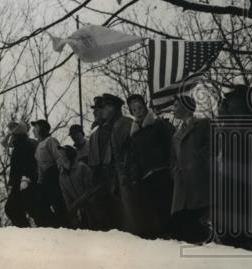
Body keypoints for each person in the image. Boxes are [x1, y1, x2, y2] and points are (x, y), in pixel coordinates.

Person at [123, 94, 175, 238]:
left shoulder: (158, 125)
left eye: (139, 107)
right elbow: (133, 158)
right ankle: (166, 237)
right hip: (146, 178)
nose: (137, 111)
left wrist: (171, 167)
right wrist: (135, 178)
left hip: (163, 173)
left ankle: (178, 235)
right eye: (134, 109)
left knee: (169, 206)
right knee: (157, 210)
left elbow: (171, 146)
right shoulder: (134, 134)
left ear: (145, 107)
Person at [170, 95, 213, 244]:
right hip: (182, 185)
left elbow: (212, 146)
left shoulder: (203, 124)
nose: (172, 109)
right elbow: (173, 157)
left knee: (203, 220)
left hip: (199, 181)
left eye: (176, 106)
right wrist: (174, 170)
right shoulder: (175, 133)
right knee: (187, 224)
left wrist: (198, 162)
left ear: (187, 108)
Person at [84, 95, 128, 231]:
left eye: (101, 108)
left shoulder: (123, 124)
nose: (97, 112)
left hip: (119, 175)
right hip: (102, 176)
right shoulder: (97, 131)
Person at [32, 119, 68, 227]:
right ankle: (52, 226)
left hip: (53, 174)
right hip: (44, 178)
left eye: (35, 127)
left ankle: (65, 226)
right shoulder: (38, 145)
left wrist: (62, 175)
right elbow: (39, 165)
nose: (33, 130)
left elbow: (59, 157)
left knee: (57, 202)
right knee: (40, 204)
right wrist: (39, 180)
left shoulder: (51, 141)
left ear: (41, 129)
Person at [4, 122, 38, 228]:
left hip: (25, 181)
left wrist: (26, 178)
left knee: (31, 208)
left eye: (12, 129)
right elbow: (4, 143)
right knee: (12, 208)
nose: (10, 130)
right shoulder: (17, 145)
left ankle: (47, 227)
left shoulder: (26, 144)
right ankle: (25, 230)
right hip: (17, 182)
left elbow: (30, 163)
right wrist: (11, 183)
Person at [57, 145, 95, 228]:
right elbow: (66, 197)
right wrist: (72, 214)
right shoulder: (61, 176)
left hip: (93, 206)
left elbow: (90, 190)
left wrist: (76, 204)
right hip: (80, 211)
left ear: (69, 156)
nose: (60, 158)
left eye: (62, 155)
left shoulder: (82, 167)